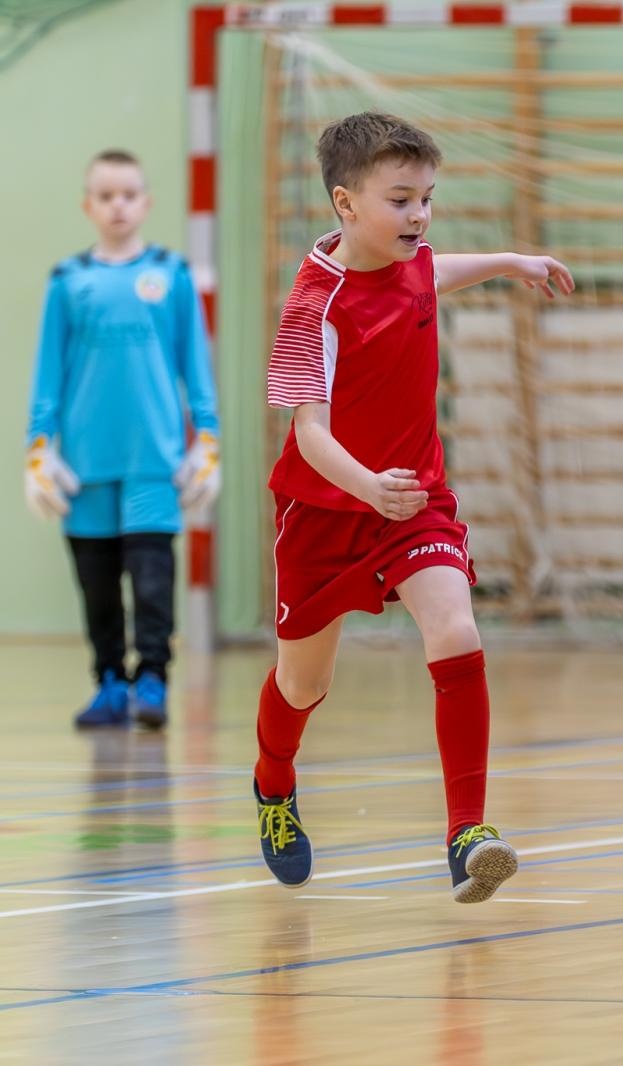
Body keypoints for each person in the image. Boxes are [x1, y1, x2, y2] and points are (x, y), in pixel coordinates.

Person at [254, 112, 573, 904]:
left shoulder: (413, 260)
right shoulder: (311, 309)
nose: (419, 217)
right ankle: (273, 783)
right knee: (302, 686)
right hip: (326, 512)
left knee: (456, 628)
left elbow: (432, 271)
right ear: (345, 204)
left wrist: (509, 262)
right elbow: (309, 433)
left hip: (412, 502)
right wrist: (364, 486)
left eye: (426, 198)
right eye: (401, 200)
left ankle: (468, 834)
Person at [25, 148, 221, 731]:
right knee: (97, 585)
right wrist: (40, 447)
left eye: (128, 194)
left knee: (154, 580)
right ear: (89, 205)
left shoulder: (173, 274)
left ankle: (153, 679)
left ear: (146, 202)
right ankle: (109, 681)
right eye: (106, 195)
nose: (118, 205)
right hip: (84, 468)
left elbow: (196, 369)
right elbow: (47, 374)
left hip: (155, 464)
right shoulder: (68, 281)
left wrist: (206, 440)